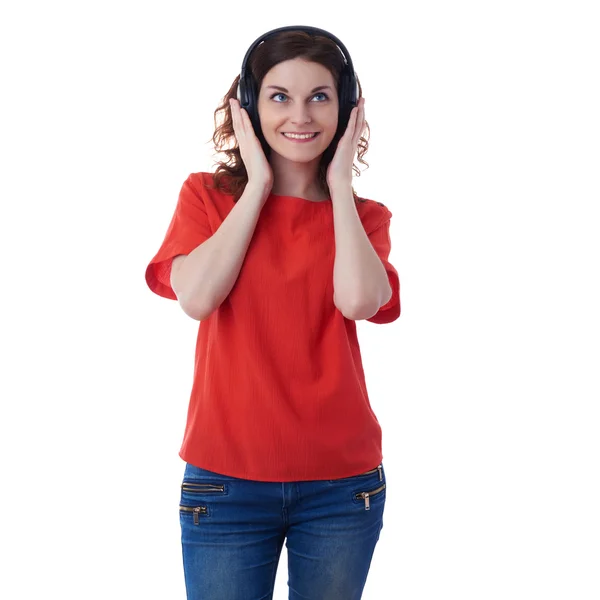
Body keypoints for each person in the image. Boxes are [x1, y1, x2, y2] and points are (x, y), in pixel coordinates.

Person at [145, 26, 401, 600]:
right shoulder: (206, 198)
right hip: (225, 484)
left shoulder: (366, 217)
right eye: (280, 96)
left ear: (347, 106)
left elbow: (359, 300)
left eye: (320, 96)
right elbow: (198, 297)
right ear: (249, 106)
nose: (300, 114)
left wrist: (337, 186)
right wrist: (259, 183)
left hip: (342, 486)